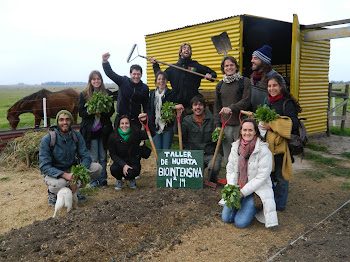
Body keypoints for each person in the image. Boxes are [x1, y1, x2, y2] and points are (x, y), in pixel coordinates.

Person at [222, 118, 278, 228]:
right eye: (245, 130)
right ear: (240, 131)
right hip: (239, 188)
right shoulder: (235, 147)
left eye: (250, 130)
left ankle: (251, 206)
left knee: (240, 223)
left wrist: (243, 193)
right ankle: (242, 204)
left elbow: (261, 178)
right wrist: (233, 187)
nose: (247, 133)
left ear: (255, 132)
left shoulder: (264, 151)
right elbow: (231, 170)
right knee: (226, 218)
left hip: (256, 191)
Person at [39, 110, 102, 206]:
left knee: (97, 168)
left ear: (71, 121)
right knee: (60, 183)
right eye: (61, 120)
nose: (64, 123)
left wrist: (77, 174)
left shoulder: (76, 136)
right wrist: (64, 175)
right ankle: (52, 193)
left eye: (67, 120)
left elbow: (86, 157)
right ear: (57, 122)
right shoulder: (48, 139)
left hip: (72, 170)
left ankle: (75, 191)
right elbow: (44, 166)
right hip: (55, 173)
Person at [260, 74, 301, 211]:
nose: (272, 88)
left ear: (281, 86)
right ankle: (271, 202)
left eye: (275, 85)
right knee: (269, 175)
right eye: (269, 86)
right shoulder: (267, 102)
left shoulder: (286, 103)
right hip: (268, 144)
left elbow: (294, 123)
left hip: (282, 145)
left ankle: (280, 205)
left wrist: (272, 125)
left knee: (281, 176)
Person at [149, 43, 217, 111]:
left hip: (193, 104)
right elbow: (160, 77)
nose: (186, 50)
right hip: (177, 103)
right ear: (180, 53)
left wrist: (210, 76)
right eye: (184, 48)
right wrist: (155, 65)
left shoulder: (196, 66)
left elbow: (213, 74)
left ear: (190, 53)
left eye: (188, 49)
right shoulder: (173, 68)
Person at [79, 70, 115, 187]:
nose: (96, 81)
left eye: (98, 79)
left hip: (103, 131)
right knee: (93, 157)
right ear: (90, 81)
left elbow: (111, 112)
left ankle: (103, 179)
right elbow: (81, 113)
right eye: (94, 79)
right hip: (91, 131)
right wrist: (92, 111)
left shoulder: (107, 93)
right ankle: (93, 180)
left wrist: (102, 111)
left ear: (101, 80)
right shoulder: (84, 95)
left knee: (103, 157)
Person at [214, 56, 252, 164]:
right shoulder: (220, 85)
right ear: (223, 68)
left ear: (236, 66)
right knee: (228, 158)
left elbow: (246, 101)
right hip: (225, 126)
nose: (229, 67)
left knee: (242, 156)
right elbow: (217, 106)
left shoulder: (244, 82)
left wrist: (230, 108)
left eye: (231, 65)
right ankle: (229, 179)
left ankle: (242, 180)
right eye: (226, 66)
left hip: (241, 125)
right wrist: (217, 124)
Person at [175, 95, 222, 183]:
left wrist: (218, 130)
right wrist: (178, 117)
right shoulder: (186, 121)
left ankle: (211, 179)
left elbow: (219, 139)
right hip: (194, 155)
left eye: (200, 105)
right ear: (192, 108)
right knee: (195, 180)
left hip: (210, 153)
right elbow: (180, 134)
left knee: (214, 167)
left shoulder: (212, 120)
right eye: (195, 105)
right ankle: (197, 177)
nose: (198, 107)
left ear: (204, 107)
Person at [102, 52, 149, 127]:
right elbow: (111, 74)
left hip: (135, 120)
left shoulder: (144, 88)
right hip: (121, 119)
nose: (136, 76)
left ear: (141, 75)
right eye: (134, 74)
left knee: (135, 138)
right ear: (130, 74)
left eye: (138, 74)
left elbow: (145, 105)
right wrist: (105, 62)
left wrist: (146, 118)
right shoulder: (123, 81)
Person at [108, 114, 154, 190]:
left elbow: (149, 133)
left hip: (133, 161)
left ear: (130, 124)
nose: (124, 126)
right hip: (120, 162)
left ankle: (131, 178)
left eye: (127, 123)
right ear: (119, 125)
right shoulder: (113, 136)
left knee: (132, 172)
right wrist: (123, 165)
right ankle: (119, 179)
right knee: (114, 169)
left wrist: (145, 121)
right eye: (122, 123)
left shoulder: (136, 133)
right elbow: (113, 155)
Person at [147, 71, 177, 149]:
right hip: (155, 126)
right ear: (156, 81)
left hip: (167, 127)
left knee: (166, 151)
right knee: (158, 152)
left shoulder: (171, 94)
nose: (161, 81)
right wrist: (150, 122)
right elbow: (149, 109)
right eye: (159, 79)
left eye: (163, 79)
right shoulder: (152, 93)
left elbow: (174, 107)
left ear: (166, 81)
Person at [250, 45, 285, 112]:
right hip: (252, 116)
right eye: (252, 58)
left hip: (267, 117)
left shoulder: (276, 77)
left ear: (263, 61)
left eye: (255, 58)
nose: (252, 61)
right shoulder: (253, 76)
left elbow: (281, 100)